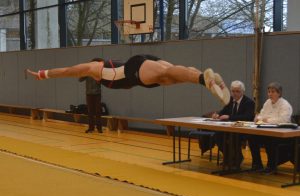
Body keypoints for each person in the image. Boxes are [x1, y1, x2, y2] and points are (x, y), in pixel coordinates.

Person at [26, 54, 230, 105]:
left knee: (165, 73)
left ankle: (204, 78)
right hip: (138, 75)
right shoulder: (103, 75)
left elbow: (69, 70)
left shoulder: (94, 68)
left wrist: (44, 74)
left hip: (134, 68)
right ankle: (206, 78)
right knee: (172, 76)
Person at [248, 82, 293, 174]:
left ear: (279, 93)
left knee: (270, 140)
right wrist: (258, 118)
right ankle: (257, 164)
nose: (270, 94)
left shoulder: (285, 105)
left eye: (273, 92)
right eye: (269, 92)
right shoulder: (267, 103)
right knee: (252, 138)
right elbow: (261, 115)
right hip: (268, 131)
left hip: (282, 134)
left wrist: (267, 120)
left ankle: (271, 166)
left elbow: (283, 119)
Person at [210, 80, 255, 168]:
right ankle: (228, 157)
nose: (234, 94)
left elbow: (247, 117)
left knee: (233, 136)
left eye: (237, 91)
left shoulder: (249, 102)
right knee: (218, 135)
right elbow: (223, 111)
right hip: (230, 128)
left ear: (242, 91)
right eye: (233, 91)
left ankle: (238, 158)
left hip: (243, 130)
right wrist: (217, 115)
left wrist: (229, 117)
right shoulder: (230, 100)